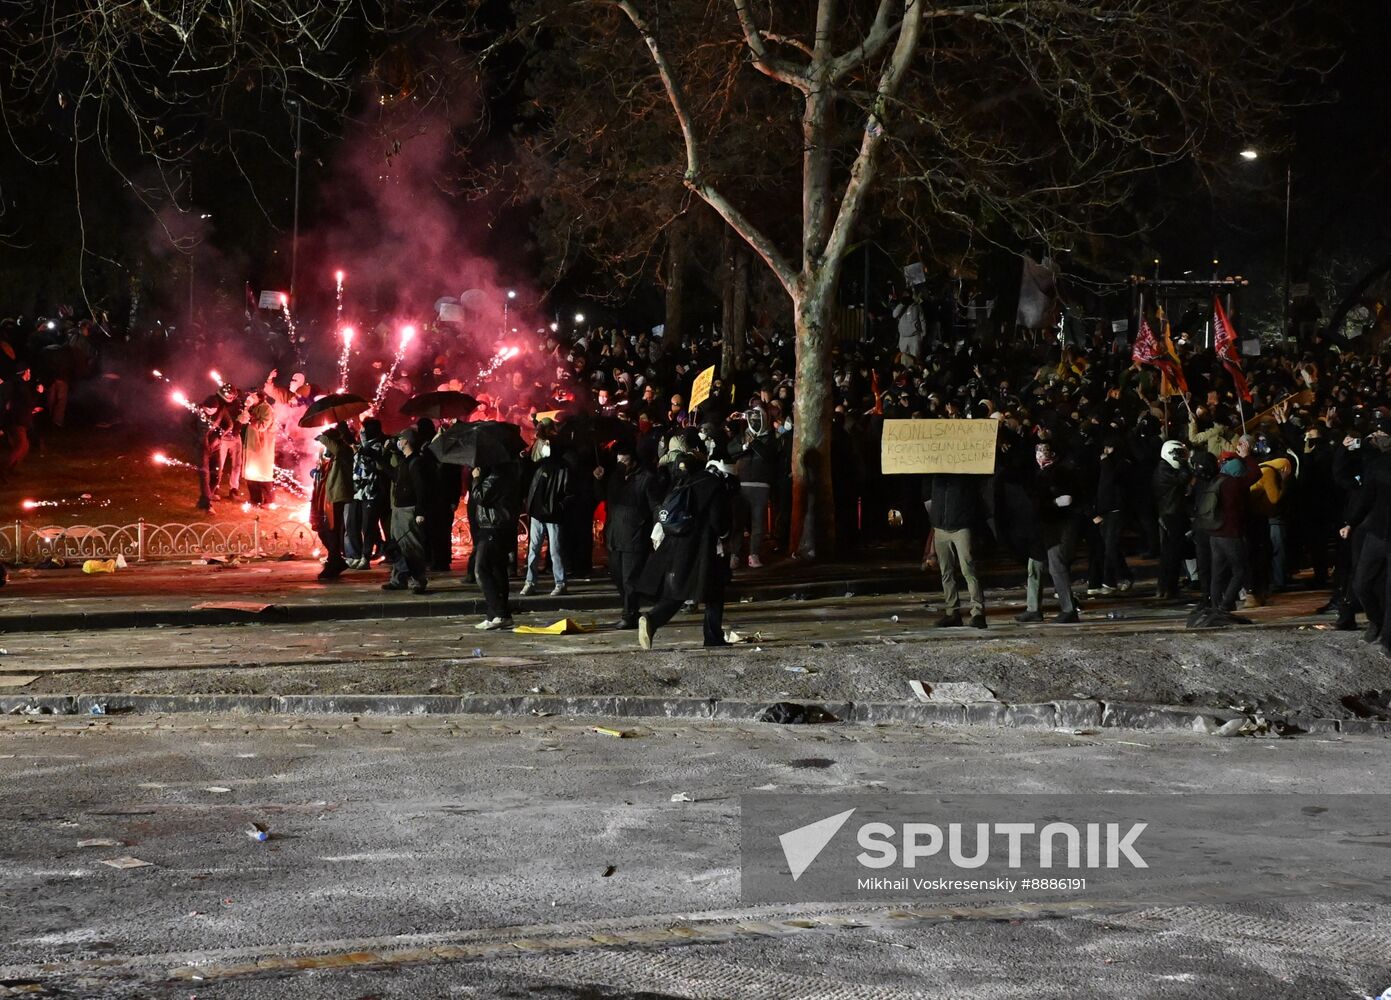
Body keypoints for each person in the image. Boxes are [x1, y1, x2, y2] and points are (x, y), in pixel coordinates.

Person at [636, 445, 734, 649]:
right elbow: (718, 520)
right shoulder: (714, 485)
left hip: (678, 542)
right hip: (703, 546)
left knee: (680, 590)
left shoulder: (687, 481)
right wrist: (725, 534)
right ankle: (712, 637)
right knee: (714, 591)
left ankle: (652, 619)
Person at [595, 441, 660, 629]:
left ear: (633, 461)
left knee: (630, 578)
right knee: (617, 576)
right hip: (615, 534)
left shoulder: (646, 478)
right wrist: (598, 480)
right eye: (619, 462)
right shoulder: (615, 477)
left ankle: (629, 614)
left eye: (625, 461)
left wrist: (656, 530)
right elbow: (603, 497)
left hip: (635, 534)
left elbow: (655, 505)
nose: (621, 465)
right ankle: (630, 609)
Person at [1016, 440, 1081, 624]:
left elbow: (1066, 500)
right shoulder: (1040, 473)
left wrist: (1048, 505)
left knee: (1056, 567)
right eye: (1038, 451)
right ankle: (1033, 608)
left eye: (1044, 451)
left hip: (1056, 528)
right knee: (1034, 568)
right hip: (1042, 527)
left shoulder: (1061, 473)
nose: (1040, 455)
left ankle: (1068, 609)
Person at [1203, 451, 1260, 625]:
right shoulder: (1235, 484)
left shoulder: (1217, 480)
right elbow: (1256, 474)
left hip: (1215, 534)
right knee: (1240, 571)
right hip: (1231, 534)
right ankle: (1226, 605)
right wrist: (1247, 456)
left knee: (1218, 572)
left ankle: (1215, 606)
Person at [926, 470, 987, 628]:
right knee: (946, 572)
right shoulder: (936, 476)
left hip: (961, 527)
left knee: (968, 569)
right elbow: (930, 499)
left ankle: (977, 612)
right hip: (941, 528)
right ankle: (952, 612)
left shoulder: (965, 474)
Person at [470, 458, 522, 630]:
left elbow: (481, 497)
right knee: (497, 570)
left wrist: (476, 479)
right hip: (496, 526)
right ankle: (494, 614)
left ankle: (501, 613)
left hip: (493, 527)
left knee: (481, 569)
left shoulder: (497, 476)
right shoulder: (503, 473)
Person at [381, 428, 430, 594]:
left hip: (409, 509)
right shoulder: (405, 461)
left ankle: (418, 580)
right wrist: (381, 457)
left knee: (412, 547)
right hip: (399, 508)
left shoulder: (416, 462)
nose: (398, 442)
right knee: (398, 546)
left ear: (407, 441)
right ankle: (398, 579)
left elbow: (421, 488)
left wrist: (420, 512)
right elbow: (395, 476)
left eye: (400, 439)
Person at [730, 407, 779, 568]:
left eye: (758, 420)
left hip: (761, 485)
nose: (755, 423)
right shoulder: (743, 436)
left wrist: (754, 442)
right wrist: (744, 446)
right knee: (738, 523)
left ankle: (754, 554)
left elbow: (770, 456)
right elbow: (730, 450)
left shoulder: (770, 438)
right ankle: (735, 555)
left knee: (758, 523)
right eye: (752, 420)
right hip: (741, 485)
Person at [521, 437, 571, 596]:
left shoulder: (563, 467)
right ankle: (530, 582)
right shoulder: (541, 464)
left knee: (555, 551)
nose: (545, 448)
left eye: (548, 445)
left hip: (552, 515)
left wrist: (559, 507)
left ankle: (560, 583)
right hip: (537, 514)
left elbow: (568, 492)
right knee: (533, 550)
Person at [312, 421, 354, 580]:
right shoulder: (332, 456)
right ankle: (335, 559)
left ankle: (334, 560)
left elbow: (338, 450)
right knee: (325, 530)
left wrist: (323, 438)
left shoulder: (344, 450)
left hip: (337, 496)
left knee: (333, 531)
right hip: (326, 497)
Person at [347, 418, 391, 568]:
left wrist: (366, 452)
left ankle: (366, 557)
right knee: (353, 524)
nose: (362, 432)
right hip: (357, 492)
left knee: (368, 526)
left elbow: (373, 467)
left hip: (372, 492)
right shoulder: (362, 446)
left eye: (364, 430)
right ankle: (358, 554)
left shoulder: (380, 446)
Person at [1152, 439, 1191, 600]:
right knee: (1173, 553)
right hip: (1171, 514)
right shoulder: (1164, 470)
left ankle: (1165, 587)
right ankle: (1169, 587)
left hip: (1170, 513)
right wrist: (1184, 465)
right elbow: (1184, 478)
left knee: (1170, 553)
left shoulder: (1164, 469)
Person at [240, 390, 276, 507]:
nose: (250, 397)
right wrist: (245, 412)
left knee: (263, 475)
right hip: (251, 445)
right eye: (249, 395)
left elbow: (262, 426)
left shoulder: (266, 408)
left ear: (260, 398)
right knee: (251, 474)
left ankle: (269, 501)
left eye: (253, 396)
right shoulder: (251, 408)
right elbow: (241, 419)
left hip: (262, 446)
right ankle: (255, 499)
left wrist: (250, 419)